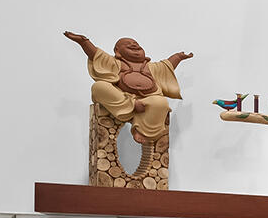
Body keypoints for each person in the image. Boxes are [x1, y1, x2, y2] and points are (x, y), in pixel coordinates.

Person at [64, 32, 193, 143]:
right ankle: (132, 106)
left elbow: (167, 65)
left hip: (147, 99)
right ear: (118, 52)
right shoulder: (116, 63)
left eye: (137, 46)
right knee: (99, 87)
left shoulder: (151, 67)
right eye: (128, 45)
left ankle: (142, 130)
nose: (134, 45)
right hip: (123, 98)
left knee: (161, 102)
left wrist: (178, 57)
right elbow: (96, 55)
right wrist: (84, 42)